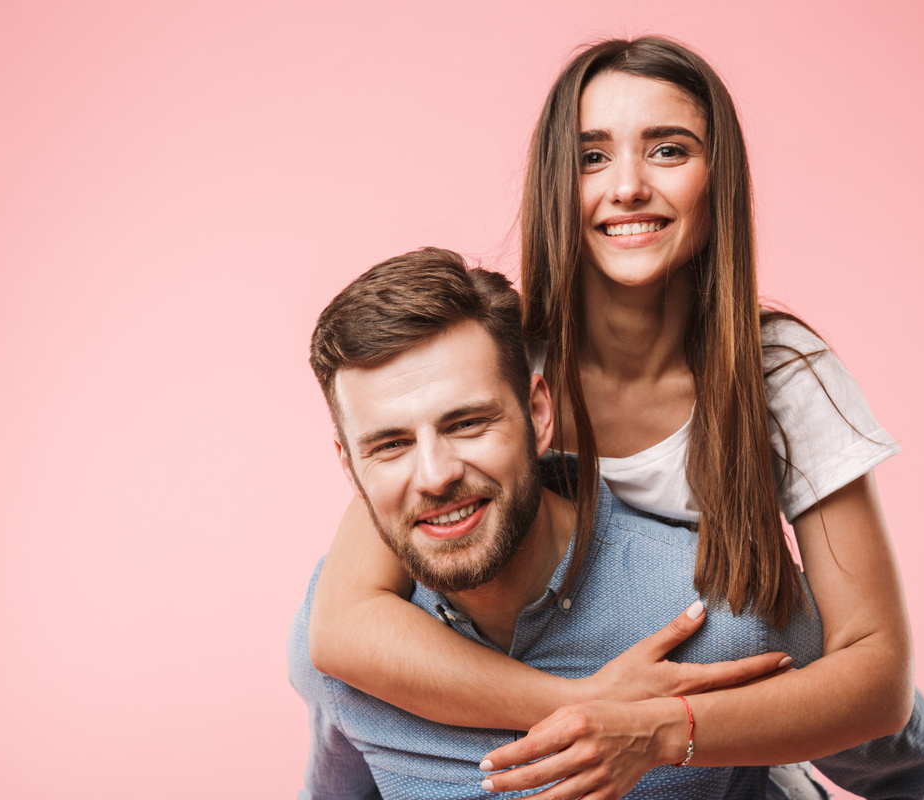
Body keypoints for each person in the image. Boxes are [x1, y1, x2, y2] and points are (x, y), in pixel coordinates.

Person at [306, 37, 924, 798]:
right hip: (589, 662)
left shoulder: (778, 373)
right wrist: (592, 706)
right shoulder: (509, 363)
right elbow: (342, 624)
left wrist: (664, 726)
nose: (627, 187)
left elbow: (877, 677)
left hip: (738, 680)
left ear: (717, 179)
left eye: (668, 150)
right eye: (592, 157)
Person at [291, 248, 820, 799]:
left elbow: (909, 762)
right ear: (350, 466)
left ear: (538, 416)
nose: (434, 476)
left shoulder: (726, 612)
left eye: (468, 423)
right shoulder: (342, 651)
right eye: (391, 444)